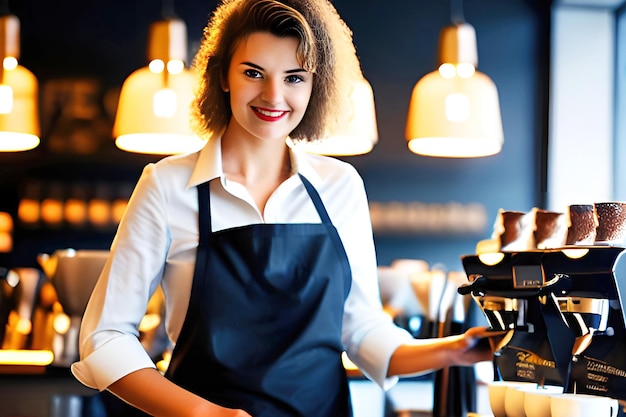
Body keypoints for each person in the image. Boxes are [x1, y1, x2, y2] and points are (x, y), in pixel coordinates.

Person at [71, 1, 495, 416]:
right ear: (223, 76)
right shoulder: (167, 186)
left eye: (295, 77)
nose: (274, 95)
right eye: (253, 73)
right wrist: (203, 414)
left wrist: (453, 350)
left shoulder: (339, 187)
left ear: (315, 86)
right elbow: (105, 336)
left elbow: (362, 331)